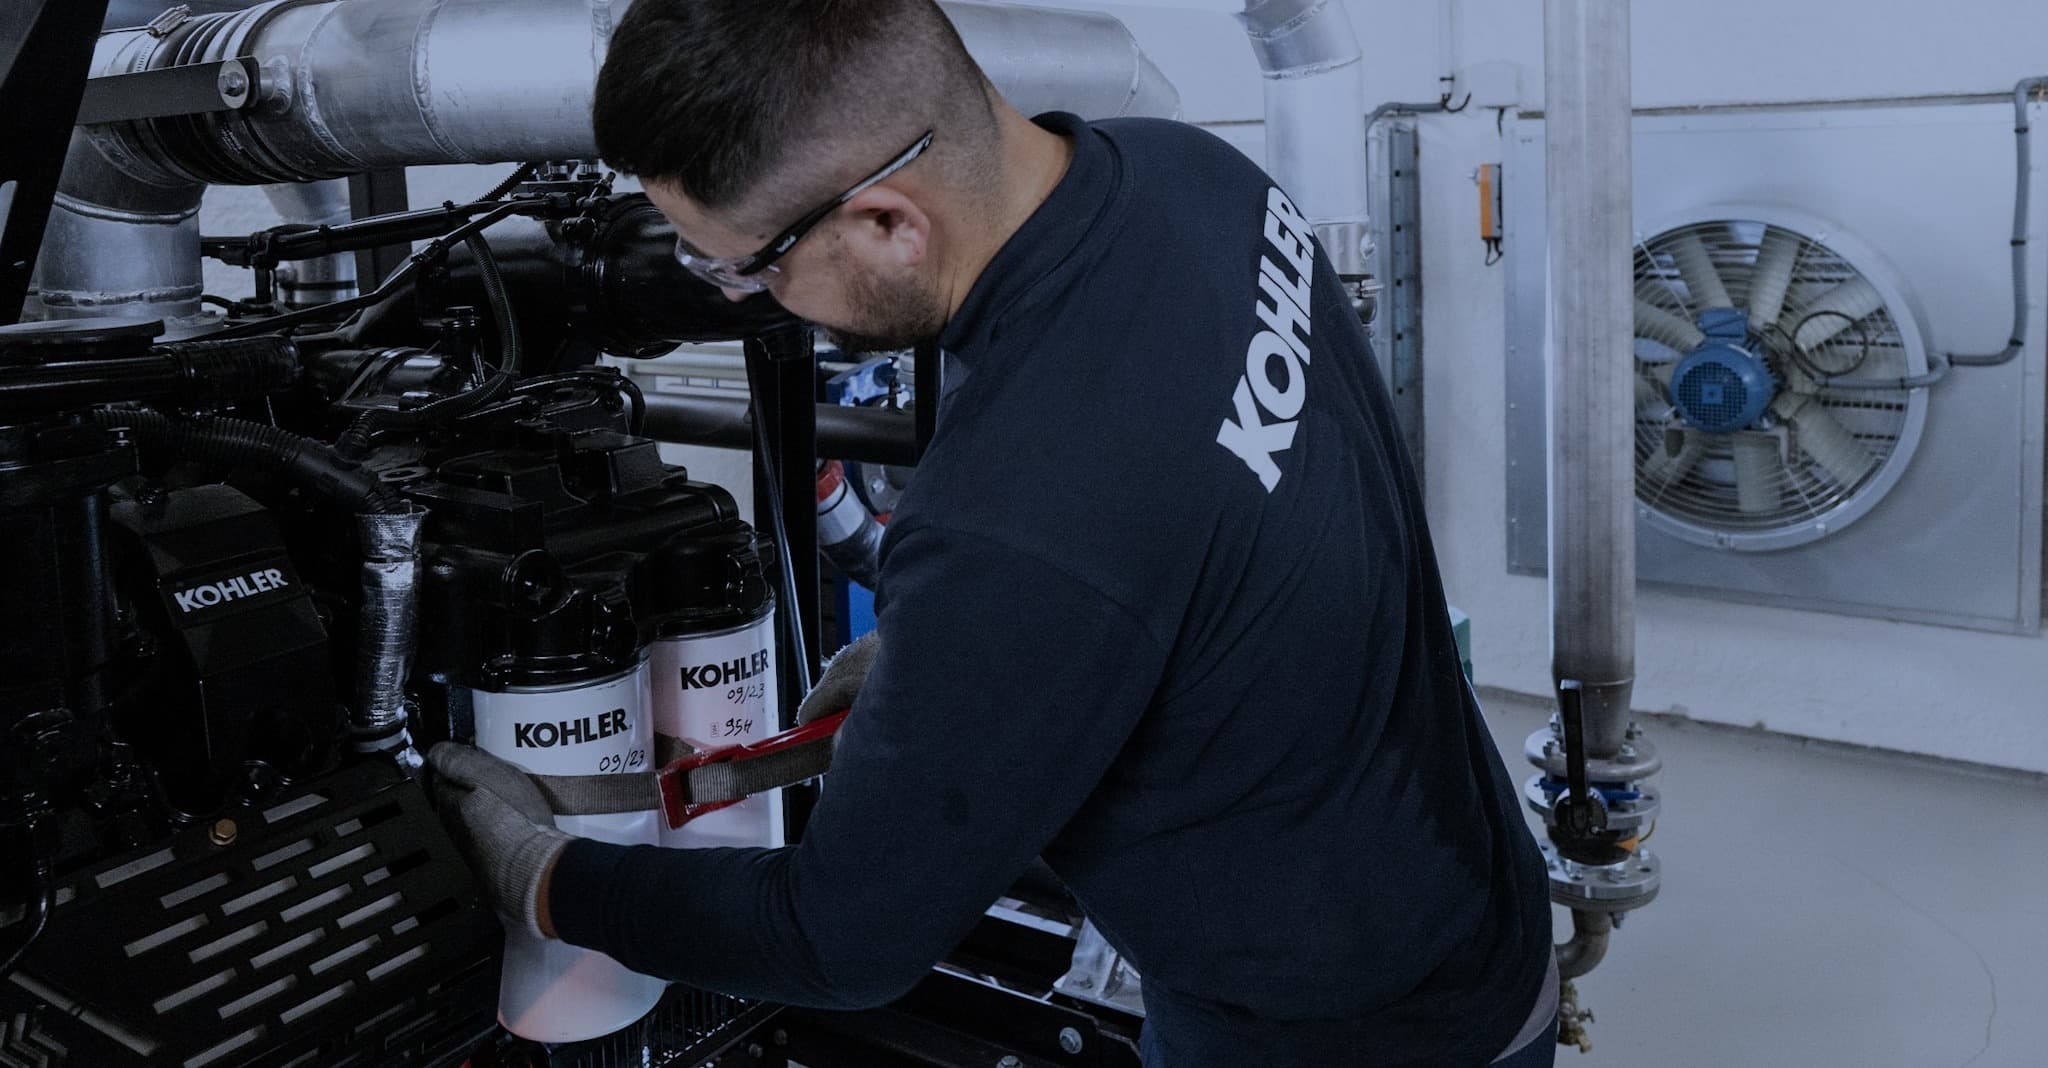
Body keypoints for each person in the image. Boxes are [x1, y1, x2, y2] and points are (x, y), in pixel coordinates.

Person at [427, 0, 1558, 1063]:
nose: (743, 298)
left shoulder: (1014, 519)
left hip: (1336, 1035)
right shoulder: (1188, 173)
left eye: (744, 265)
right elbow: (1204, 521)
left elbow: (840, 942)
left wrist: (545, 879)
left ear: (884, 222)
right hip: (1464, 906)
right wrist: (956, 667)